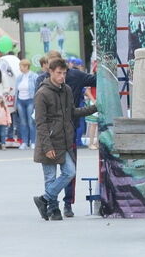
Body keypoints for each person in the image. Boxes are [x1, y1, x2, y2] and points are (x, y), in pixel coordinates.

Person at [33, 58, 97, 221]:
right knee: (50, 177)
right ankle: (53, 210)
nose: (62, 76)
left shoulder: (66, 89)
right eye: (58, 73)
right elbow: (40, 123)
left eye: (64, 73)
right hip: (48, 140)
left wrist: (94, 108)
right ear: (50, 72)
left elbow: (72, 112)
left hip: (65, 139)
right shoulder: (42, 93)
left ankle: (44, 199)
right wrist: (47, 147)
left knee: (70, 171)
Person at [15, 59, 38, 150]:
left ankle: (33, 141)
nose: (20, 68)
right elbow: (16, 90)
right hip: (20, 100)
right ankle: (24, 142)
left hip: (30, 100)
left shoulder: (34, 76)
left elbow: (37, 88)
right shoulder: (19, 77)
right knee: (22, 122)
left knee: (31, 122)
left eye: (21, 66)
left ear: (26, 66)